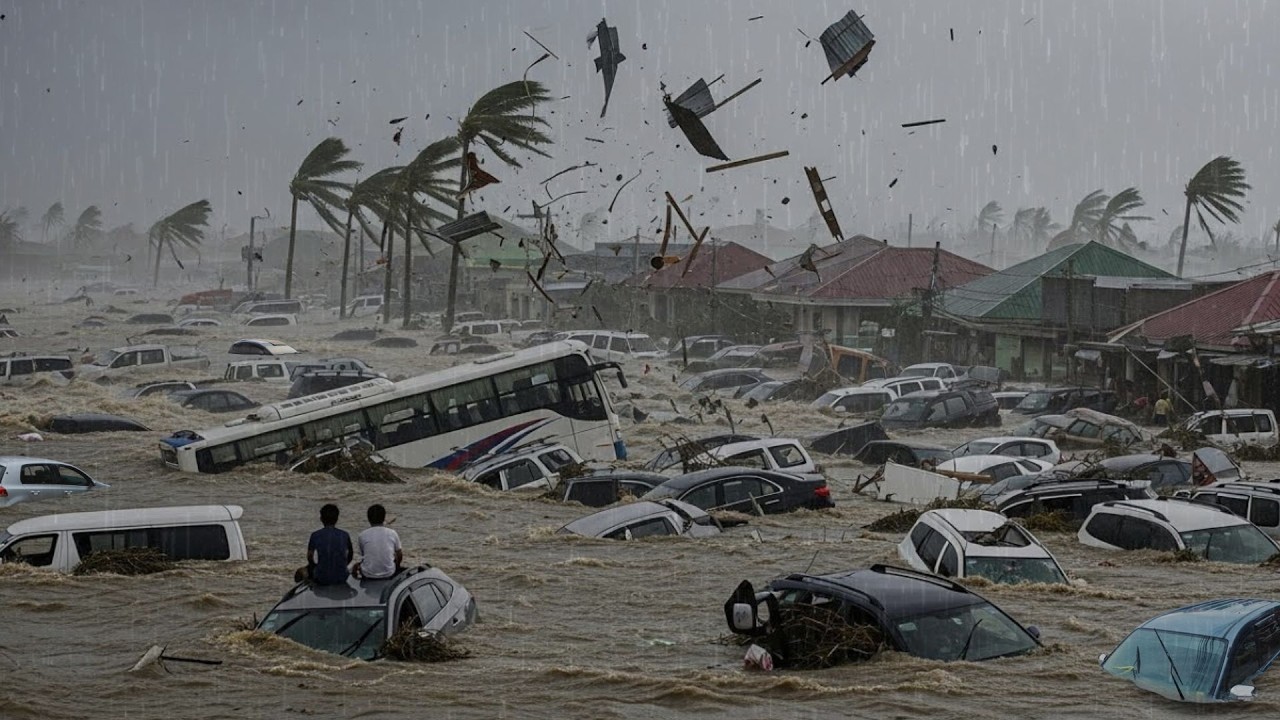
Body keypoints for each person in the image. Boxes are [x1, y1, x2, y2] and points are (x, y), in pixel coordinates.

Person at [302, 503, 352, 585]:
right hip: (342, 577)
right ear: (337, 519)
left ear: (321, 518)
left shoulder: (315, 535)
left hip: (321, 578)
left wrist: (315, 567)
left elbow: (310, 557)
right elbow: (350, 553)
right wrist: (344, 565)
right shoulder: (345, 535)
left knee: (301, 571)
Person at [354, 504, 403, 580]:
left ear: (368, 519)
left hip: (368, 574)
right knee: (395, 554)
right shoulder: (392, 533)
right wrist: (397, 566)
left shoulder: (362, 535)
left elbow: (363, 555)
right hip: (389, 573)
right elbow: (399, 554)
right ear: (384, 518)